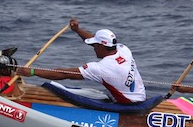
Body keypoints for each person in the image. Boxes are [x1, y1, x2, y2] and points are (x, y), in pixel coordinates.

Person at [14, 18, 146, 103]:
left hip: (127, 103)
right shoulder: (123, 49)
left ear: (101, 46)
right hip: (141, 97)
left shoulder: (101, 67)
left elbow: (64, 74)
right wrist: (77, 30)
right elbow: (93, 39)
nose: (93, 48)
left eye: (95, 46)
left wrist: (32, 71)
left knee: (56, 87)